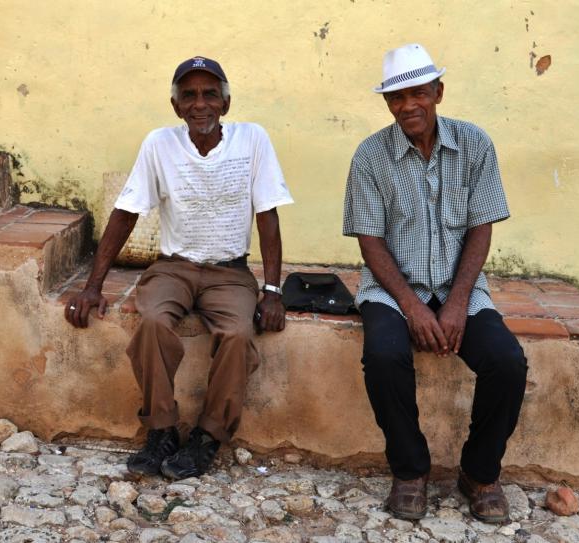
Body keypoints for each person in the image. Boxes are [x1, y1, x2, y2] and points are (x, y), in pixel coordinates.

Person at [65, 56, 293, 480]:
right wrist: (93, 286)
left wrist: (273, 290)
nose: (199, 104)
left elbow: (268, 215)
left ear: (226, 103)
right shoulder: (159, 143)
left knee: (239, 334)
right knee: (151, 321)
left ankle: (208, 436)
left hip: (230, 272)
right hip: (174, 267)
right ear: (176, 106)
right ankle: (162, 429)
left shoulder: (253, 140)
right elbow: (125, 213)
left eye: (210, 94)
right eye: (188, 95)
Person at [342, 44, 528, 523]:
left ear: (438, 92)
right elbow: (370, 241)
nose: (408, 106)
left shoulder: (475, 144)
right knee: (383, 355)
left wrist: (457, 302)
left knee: (507, 362)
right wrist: (412, 307)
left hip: (457, 285)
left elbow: (481, 226)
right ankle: (409, 471)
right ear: (388, 104)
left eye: (418, 94)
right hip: (391, 287)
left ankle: (479, 473)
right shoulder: (369, 156)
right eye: (397, 98)